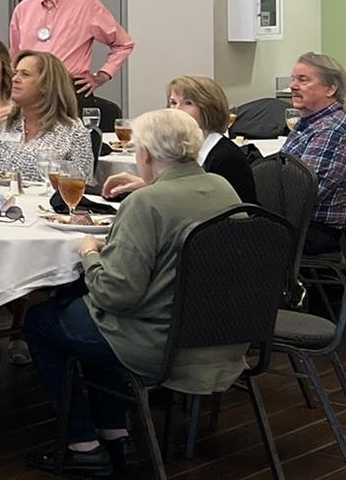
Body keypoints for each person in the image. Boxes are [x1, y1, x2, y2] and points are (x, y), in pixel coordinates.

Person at [20, 109, 244, 476]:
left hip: (156, 343)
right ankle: (114, 431)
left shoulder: (146, 204)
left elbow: (115, 295)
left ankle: (83, 445)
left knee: (44, 320)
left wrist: (89, 253)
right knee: (86, 313)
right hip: (218, 335)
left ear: (146, 154)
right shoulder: (222, 187)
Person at [106, 77, 253, 205]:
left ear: (209, 109)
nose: (176, 109)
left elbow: (206, 204)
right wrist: (148, 185)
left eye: (188, 103)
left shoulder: (226, 158)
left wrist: (151, 189)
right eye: (173, 102)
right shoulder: (181, 148)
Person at [8, 0, 135, 96]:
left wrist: (103, 75)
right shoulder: (23, 8)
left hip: (68, 88)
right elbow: (15, 54)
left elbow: (124, 44)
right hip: (30, 88)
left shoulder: (86, 4)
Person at [282, 52, 346, 256]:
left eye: (303, 80)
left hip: (312, 231)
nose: (293, 86)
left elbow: (304, 193)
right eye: (293, 79)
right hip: (301, 223)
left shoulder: (330, 131)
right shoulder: (312, 123)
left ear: (331, 89)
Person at [0, 50, 94, 185]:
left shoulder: (74, 132)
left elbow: (82, 186)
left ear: (46, 85)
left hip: (46, 198)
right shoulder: (0, 123)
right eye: (15, 73)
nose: (14, 79)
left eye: (25, 74)